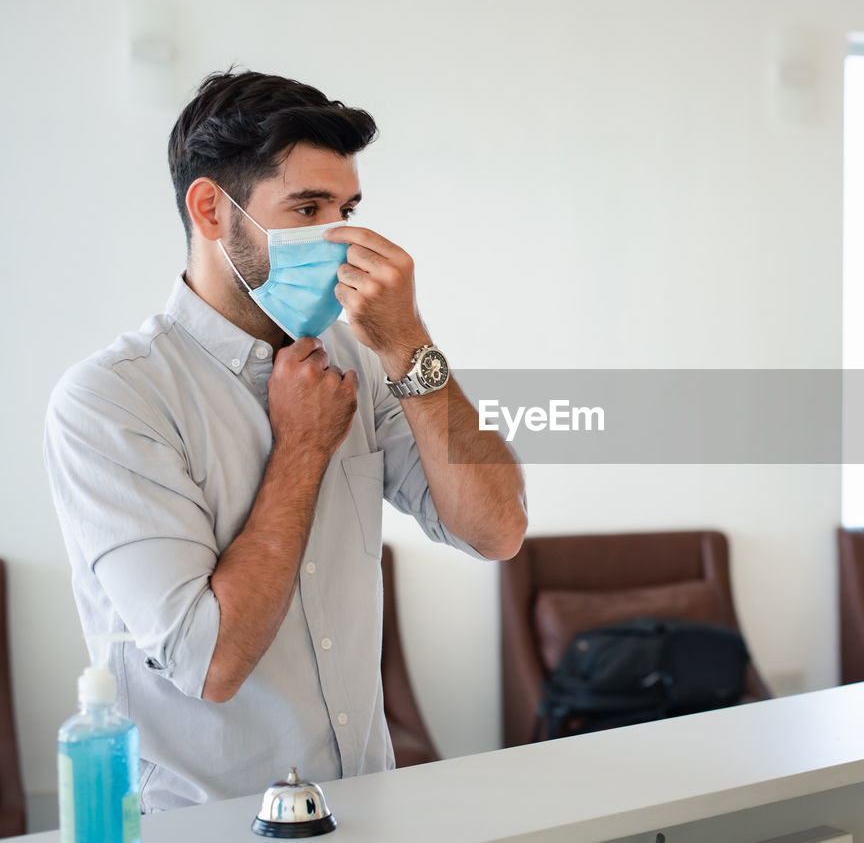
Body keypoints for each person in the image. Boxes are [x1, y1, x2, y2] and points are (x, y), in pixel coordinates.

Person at [43, 69, 528, 811]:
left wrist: (410, 349)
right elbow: (212, 664)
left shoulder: (364, 356)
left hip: (367, 813)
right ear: (211, 209)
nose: (340, 236)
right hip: (206, 829)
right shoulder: (111, 401)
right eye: (308, 207)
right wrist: (302, 447)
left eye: (348, 208)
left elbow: (496, 529)